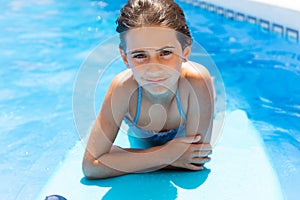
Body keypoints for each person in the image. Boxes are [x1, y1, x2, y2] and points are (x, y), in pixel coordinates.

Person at [82, 0, 215, 179]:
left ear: (185, 53)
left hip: (198, 92)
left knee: (208, 91)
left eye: (165, 53)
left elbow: (196, 159)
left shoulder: (196, 82)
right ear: (125, 58)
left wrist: (119, 159)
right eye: (140, 55)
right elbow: (91, 166)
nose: (154, 69)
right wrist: (167, 155)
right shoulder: (122, 89)